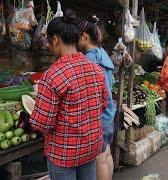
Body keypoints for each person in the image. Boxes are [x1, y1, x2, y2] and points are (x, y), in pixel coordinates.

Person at [29, 10, 108, 180]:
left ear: (55, 40)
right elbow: (103, 105)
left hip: (64, 153)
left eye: (49, 43)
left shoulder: (53, 75)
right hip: (90, 147)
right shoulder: (96, 69)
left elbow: (42, 123)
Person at [78, 14, 115, 180]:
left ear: (84, 36)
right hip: (109, 114)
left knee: (99, 160)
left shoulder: (89, 59)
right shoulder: (103, 54)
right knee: (106, 153)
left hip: (99, 117)